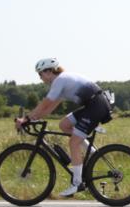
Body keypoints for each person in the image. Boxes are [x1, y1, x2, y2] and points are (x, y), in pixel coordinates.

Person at [16, 58, 112, 197]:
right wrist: (34, 118)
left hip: (96, 106)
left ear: (49, 71)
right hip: (93, 105)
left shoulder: (60, 80)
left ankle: (77, 183)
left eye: (40, 74)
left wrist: (26, 119)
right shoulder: (61, 82)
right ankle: (92, 152)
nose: (40, 78)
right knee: (64, 125)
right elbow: (49, 108)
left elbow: (45, 103)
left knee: (74, 142)